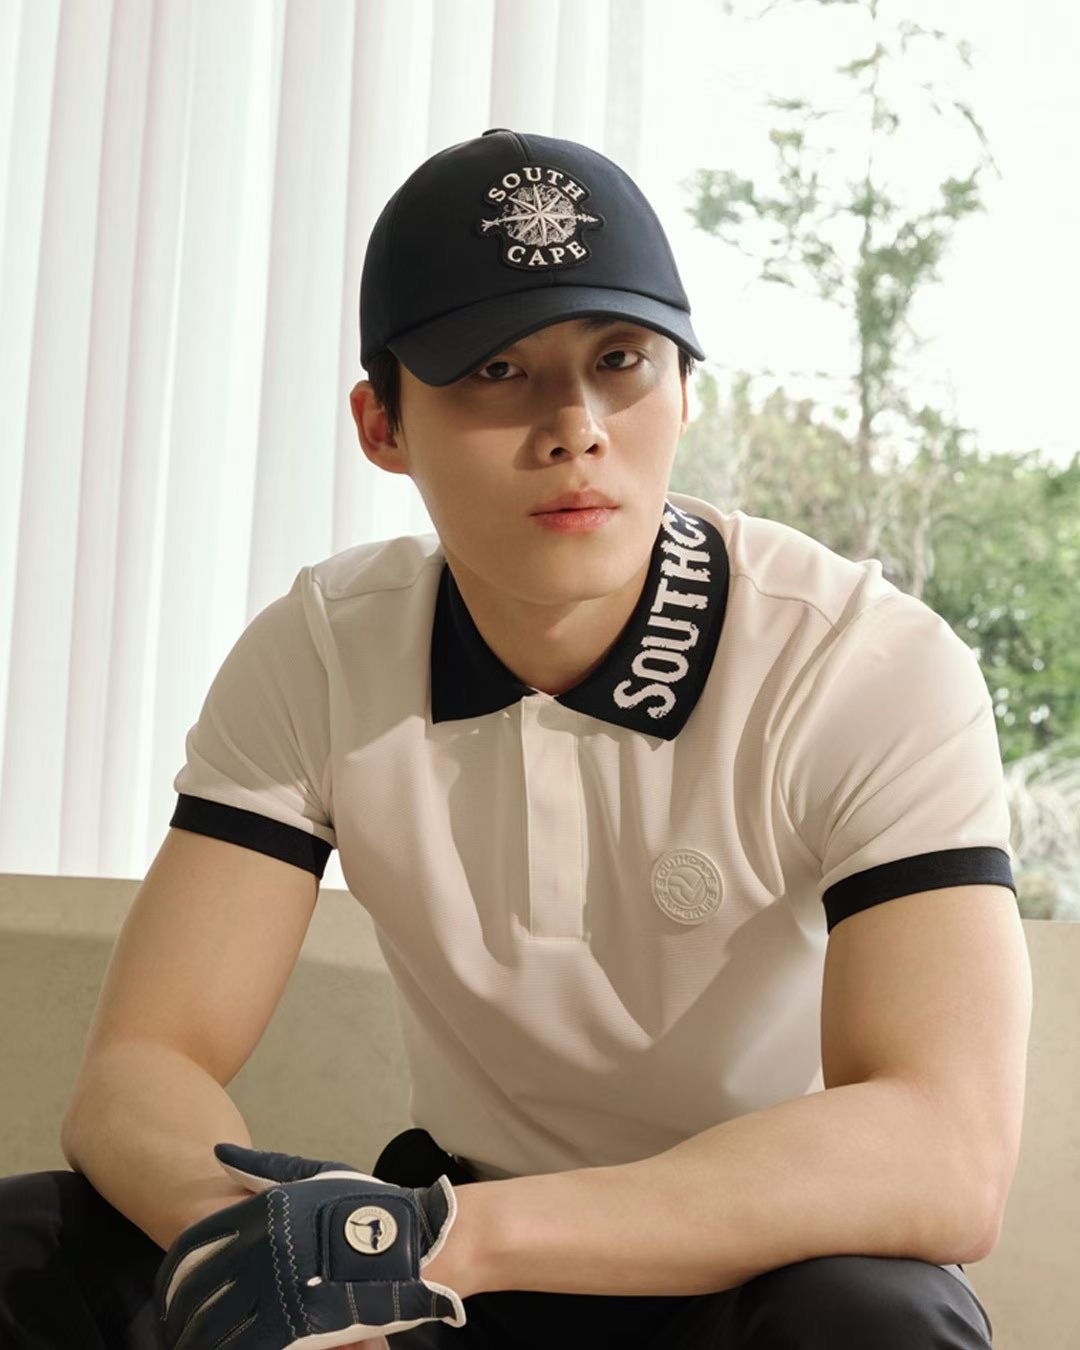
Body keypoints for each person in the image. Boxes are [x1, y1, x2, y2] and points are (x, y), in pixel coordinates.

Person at [0, 128, 1018, 1348]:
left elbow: (945, 1152)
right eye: (496, 370)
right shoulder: (324, 648)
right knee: (31, 1247)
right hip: (454, 1274)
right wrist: (288, 1261)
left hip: (751, 1260)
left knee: (873, 1316)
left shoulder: (861, 661)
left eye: (622, 360)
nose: (576, 426)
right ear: (382, 425)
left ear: (686, 388)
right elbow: (142, 1065)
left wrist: (436, 1243)